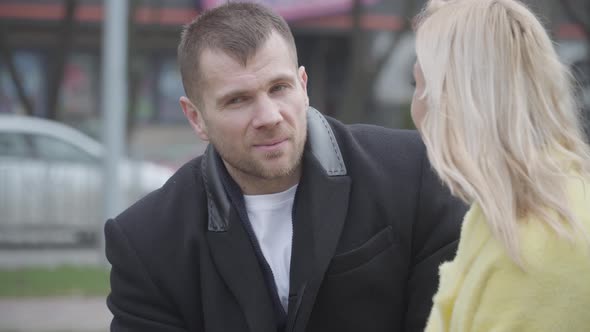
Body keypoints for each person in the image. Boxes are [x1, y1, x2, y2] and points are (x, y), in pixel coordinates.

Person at [104, 3, 466, 332]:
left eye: (279, 88)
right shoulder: (146, 241)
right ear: (195, 117)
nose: (269, 117)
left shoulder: (412, 174)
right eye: (238, 100)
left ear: (303, 86)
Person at [410, 0, 590, 331]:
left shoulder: (532, 246)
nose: (416, 107)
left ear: (453, 100)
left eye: (420, 84)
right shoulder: (537, 205)